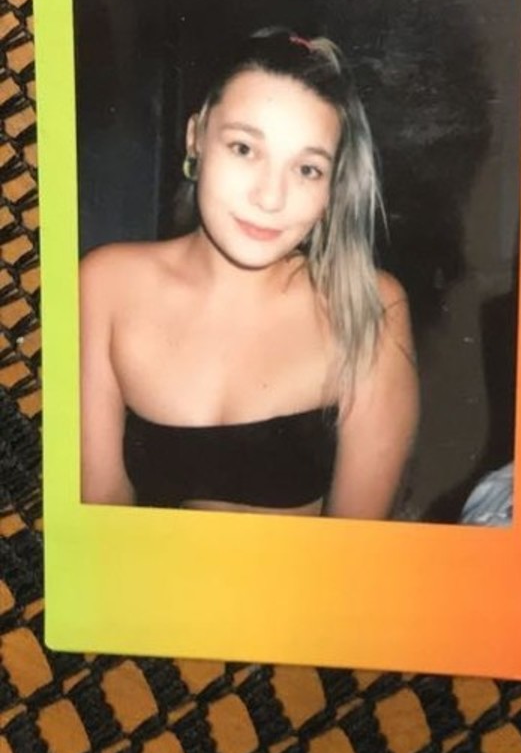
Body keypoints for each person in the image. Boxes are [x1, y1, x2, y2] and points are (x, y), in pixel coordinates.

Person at [80, 28, 419, 517]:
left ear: (331, 189)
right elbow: (98, 514)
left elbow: (355, 547)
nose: (270, 197)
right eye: (244, 148)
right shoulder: (104, 286)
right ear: (196, 137)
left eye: (307, 169)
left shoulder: (369, 308)